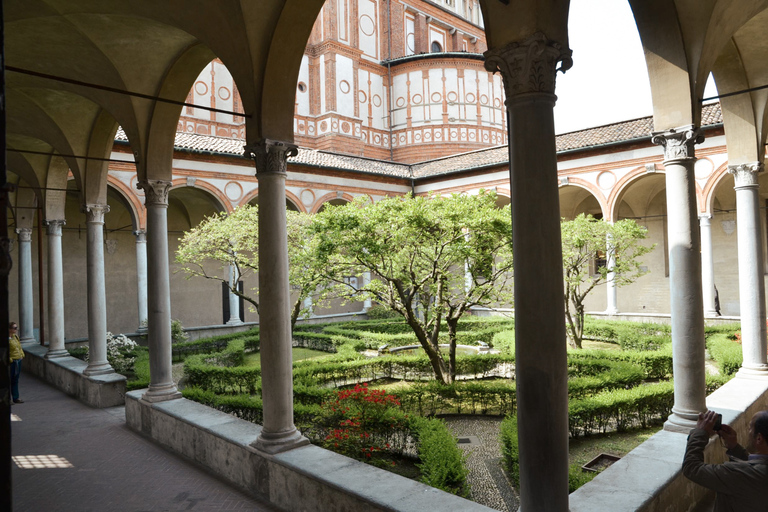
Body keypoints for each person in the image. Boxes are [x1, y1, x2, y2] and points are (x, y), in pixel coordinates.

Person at [682, 409, 768, 511]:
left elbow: (692, 468)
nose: (747, 431)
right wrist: (734, 448)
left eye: (749, 428)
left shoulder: (738, 474)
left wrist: (700, 432)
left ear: (759, 438)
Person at [9, 322, 24, 404]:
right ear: (9, 329)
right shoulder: (6, 339)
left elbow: (19, 347)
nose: (16, 329)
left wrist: (22, 355)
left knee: (15, 379)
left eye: (16, 328)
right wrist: (10, 359)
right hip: (12, 361)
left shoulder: (15, 337)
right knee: (9, 379)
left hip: (18, 360)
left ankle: (16, 397)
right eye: (14, 328)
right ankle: (8, 398)